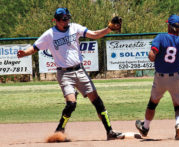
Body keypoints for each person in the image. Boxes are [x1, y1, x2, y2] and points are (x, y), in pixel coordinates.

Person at [17, 7, 124, 141]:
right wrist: (24, 53)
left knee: (97, 102)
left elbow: (94, 34)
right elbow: (35, 47)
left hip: (80, 70)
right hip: (64, 74)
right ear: (55, 20)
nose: (66, 21)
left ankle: (110, 132)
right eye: (63, 19)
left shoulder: (75, 28)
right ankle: (59, 130)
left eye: (68, 18)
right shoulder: (49, 34)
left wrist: (109, 28)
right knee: (71, 104)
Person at [135, 14, 179, 140]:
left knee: (152, 104)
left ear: (168, 26)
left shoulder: (161, 37)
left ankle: (145, 127)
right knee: (178, 106)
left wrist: (152, 54)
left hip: (160, 78)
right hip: (175, 78)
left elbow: (152, 55)